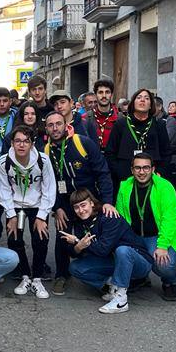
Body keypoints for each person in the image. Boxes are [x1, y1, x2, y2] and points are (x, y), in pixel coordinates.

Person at [43, 111, 116, 295]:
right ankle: (62, 275)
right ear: (46, 129)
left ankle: (100, 272)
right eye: (50, 125)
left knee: (93, 237)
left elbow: (103, 172)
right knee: (62, 235)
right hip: (65, 202)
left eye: (58, 124)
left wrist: (106, 201)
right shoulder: (45, 151)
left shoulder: (82, 142)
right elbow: (48, 183)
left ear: (66, 124)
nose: (55, 128)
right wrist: (57, 207)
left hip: (89, 201)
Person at [61, 188, 155, 313]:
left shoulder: (108, 216)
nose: (81, 210)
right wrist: (78, 246)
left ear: (92, 203)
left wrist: (78, 241)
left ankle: (121, 300)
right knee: (75, 267)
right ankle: (112, 287)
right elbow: (80, 254)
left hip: (138, 262)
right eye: (76, 207)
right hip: (114, 261)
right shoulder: (81, 223)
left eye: (83, 205)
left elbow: (102, 250)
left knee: (122, 250)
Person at [0, 125, 56, 299]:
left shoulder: (43, 161)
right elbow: (4, 189)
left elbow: (49, 189)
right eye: (17, 141)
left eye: (26, 141)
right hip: (16, 206)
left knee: (41, 238)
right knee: (15, 239)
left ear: (32, 143)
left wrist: (42, 216)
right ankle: (24, 276)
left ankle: (37, 278)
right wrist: (11, 214)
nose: (21, 145)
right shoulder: (3, 162)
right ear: (12, 143)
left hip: (37, 204)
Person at [114, 153, 176, 301]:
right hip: (135, 236)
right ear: (132, 170)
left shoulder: (165, 187)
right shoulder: (124, 187)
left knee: (164, 264)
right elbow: (121, 217)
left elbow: (169, 219)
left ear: (152, 169)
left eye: (146, 168)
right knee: (121, 254)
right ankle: (141, 277)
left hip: (158, 235)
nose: (142, 172)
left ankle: (169, 282)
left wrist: (163, 246)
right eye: (138, 168)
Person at [106, 88, 172, 187]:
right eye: (139, 97)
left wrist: (160, 172)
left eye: (147, 98)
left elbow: (166, 152)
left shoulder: (159, 125)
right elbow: (110, 152)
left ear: (150, 105)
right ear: (133, 103)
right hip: (125, 177)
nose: (142, 100)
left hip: (152, 178)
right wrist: (118, 172)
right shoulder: (121, 124)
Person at [89, 79, 119, 152]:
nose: (104, 96)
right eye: (100, 92)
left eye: (107, 92)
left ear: (111, 94)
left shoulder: (120, 118)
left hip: (114, 160)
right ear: (95, 95)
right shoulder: (86, 118)